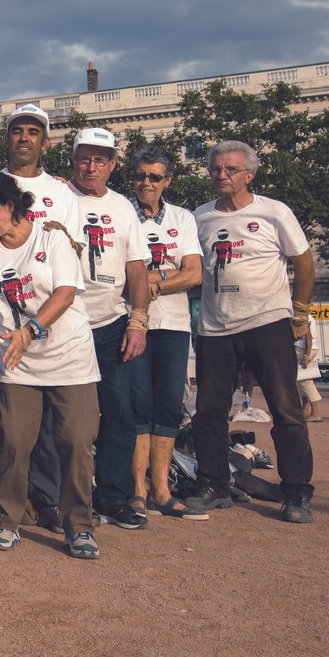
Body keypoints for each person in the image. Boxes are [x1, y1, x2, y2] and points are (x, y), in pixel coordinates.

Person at [0, 171, 102, 559]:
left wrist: (31, 330)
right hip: (14, 365)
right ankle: (7, 522)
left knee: (76, 443)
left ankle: (79, 528)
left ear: (10, 207)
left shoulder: (51, 237)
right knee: (12, 442)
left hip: (69, 358)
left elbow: (67, 292)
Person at [0, 104, 81, 534]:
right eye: (16, 130)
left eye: (33, 131)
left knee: (58, 434)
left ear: (45, 141)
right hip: (3, 328)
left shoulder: (61, 192)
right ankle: (2, 507)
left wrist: (33, 326)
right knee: (5, 430)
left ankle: (50, 504)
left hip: (55, 331)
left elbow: (70, 255)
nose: (24, 137)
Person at [188, 140, 316, 523]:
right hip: (214, 328)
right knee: (208, 411)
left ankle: (296, 493)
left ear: (249, 175)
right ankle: (214, 485)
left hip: (267, 323)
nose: (221, 175)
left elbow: (304, 262)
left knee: (285, 409)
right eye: (215, 169)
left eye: (230, 169)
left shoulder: (274, 212)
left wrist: (301, 311)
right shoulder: (200, 217)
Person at [66, 128, 150, 530]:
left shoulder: (122, 207)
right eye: (85, 158)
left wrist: (139, 320)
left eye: (101, 160)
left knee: (119, 412)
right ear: (74, 158)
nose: (92, 166)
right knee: (64, 416)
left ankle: (113, 498)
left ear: (114, 164)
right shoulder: (60, 196)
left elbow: (136, 266)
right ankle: (64, 496)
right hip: (66, 321)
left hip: (111, 321)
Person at [125, 145, 207, 520]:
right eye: (140, 175)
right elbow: (123, 276)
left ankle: (162, 488)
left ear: (167, 181)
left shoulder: (183, 217)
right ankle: (137, 490)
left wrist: (151, 281)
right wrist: (159, 279)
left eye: (154, 177)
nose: (146, 183)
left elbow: (194, 273)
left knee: (169, 406)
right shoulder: (122, 212)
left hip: (174, 323)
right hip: (131, 321)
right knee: (137, 405)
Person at [297, 315, 323, 422]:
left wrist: (306, 356)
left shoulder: (301, 316)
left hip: (302, 349)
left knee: (305, 380)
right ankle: (306, 409)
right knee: (300, 380)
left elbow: (309, 336)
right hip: (305, 349)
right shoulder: (306, 316)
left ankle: (315, 413)